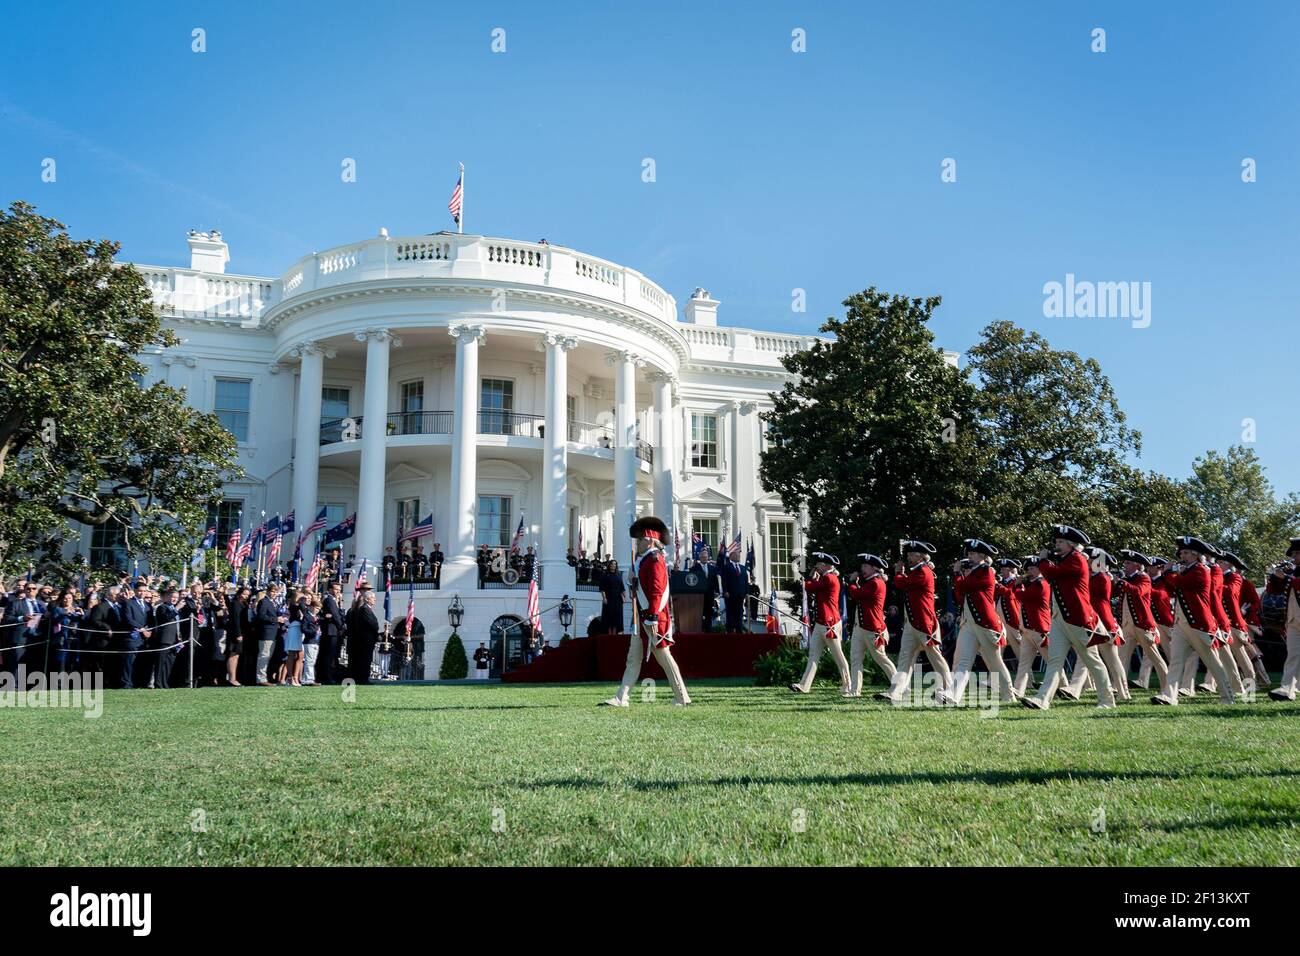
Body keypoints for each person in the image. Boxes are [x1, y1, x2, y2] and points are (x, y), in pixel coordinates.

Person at [1021, 525, 1116, 711]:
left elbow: (1053, 573)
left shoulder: (1077, 560)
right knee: (1055, 661)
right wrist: (1047, 560)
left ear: (1072, 544)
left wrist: (1042, 560)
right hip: (1060, 619)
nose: (1057, 545)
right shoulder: (1065, 559)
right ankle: (1042, 699)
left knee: (1092, 661)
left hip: (1078, 620)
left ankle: (1107, 700)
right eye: (1056, 542)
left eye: (1061, 542)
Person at [600, 516, 691, 707]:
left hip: (652, 618)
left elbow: (657, 590)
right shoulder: (645, 561)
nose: (637, 543)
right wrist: (633, 580)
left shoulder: (655, 560)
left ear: (649, 539)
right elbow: (644, 588)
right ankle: (621, 697)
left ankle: (683, 698)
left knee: (664, 658)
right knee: (632, 659)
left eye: (639, 539)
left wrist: (653, 616)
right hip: (642, 618)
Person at [1150, 536, 1243, 706]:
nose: (1182, 556)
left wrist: (1169, 572)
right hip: (1181, 623)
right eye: (1182, 553)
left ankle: (1227, 696)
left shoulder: (1201, 570)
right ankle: (1169, 696)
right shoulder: (1186, 570)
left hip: (1198, 624)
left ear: (1195, 555)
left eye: (1186, 553)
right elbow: (1171, 589)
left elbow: (1180, 583)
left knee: (1213, 662)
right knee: (1176, 661)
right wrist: (1170, 574)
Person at [940, 539, 1016, 705]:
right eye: (969, 553)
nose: (970, 556)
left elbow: (965, 586)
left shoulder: (986, 572)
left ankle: (1009, 694)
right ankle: (953, 695)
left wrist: (957, 574)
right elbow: (960, 596)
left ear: (982, 555)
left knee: (994, 662)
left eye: (973, 553)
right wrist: (959, 576)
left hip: (985, 625)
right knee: (962, 661)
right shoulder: (973, 573)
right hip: (969, 624)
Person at [877, 541, 953, 703]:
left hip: (925, 624)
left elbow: (902, 583)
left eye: (912, 554)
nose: (908, 557)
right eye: (909, 554)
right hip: (913, 623)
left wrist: (898, 573)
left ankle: (948, 689)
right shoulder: (918, 571)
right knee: (905, 658)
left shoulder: (923, 572)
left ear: (921, 556)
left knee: (935, 658)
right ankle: (896, 691)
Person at [790, 551, 851, 695]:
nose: (816, 566)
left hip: (830, 624)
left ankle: (848, 685)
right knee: (813, 656)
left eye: (818, 564)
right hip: (821, 623)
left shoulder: (829, 578)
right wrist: (812, 579)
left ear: (824, 565)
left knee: (838, 656)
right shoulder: (826, 578)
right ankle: (804, 685)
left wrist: (810, 578)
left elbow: (810, 587)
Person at [1116, 550, 1169, 697]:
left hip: (1142, 625)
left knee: (1155, 658)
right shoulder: (1127, 579)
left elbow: (1138, 592)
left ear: (1137, 565)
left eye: (1128, 563)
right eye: (1125, 563)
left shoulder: (1144, 578)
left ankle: (1167, 688)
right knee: (1121, 659)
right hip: (1127, 626)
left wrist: (1121, 582)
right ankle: (1121, 691)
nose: (1124, 565)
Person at [845, 553, 896, 696]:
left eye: (866, 566)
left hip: (872, 628)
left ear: (874, 568)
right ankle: (855, 690)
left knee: (881, 658)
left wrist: (852, 582)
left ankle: (900, 685)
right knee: (855, 658)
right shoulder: (869, 581)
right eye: (862, 565)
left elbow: (856, 594)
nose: (862, 568)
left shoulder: (876, 583)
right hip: (860, 627)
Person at [1264, 538, 1300, 701]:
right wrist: (1275, 576)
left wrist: (1285, 577)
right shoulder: (1292, 572)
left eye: (1298, 553)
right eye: (1293, 554)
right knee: (1293, 654)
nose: (1294, 557)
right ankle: (1287, 689)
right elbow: (1272, 590)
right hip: (1292, 619)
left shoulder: (1291, 576)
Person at [1012, 557, 1050, 697]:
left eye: (1033, 568)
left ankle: (1062, 686)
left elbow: (1024, 596)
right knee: (1024, 662)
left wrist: (1017, 586)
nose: (1030, 571)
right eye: (1028, 569)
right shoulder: (1033, 583)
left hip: (1039, 628)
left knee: (1050, 660)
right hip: (1028, 629)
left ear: (1040, 569)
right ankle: (1018, 689)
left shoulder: (1040, 583)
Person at [117, 580, 152, 690]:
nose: (142, 593)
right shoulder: (129, 603)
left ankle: (137, 683)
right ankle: (126, 684)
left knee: (140, 662)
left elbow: (149, 621)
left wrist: (148, 630)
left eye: (144, 591)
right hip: (132, 638)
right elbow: (128, 619)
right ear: (135, 591)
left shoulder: (147, 605)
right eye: (140, 591)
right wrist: (141, 629)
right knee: (129, 662)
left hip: (143, 639)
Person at [345, 582, 380, 684]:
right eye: (366, 589)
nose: (374, 599)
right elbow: (371, 623)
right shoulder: (362, 608)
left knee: (364, 659)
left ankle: (361, 677)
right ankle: (361, 678)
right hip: (363, 638)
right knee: (361, 660)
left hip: (364, 638)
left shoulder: (365, 608)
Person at [254, 583, 285, 686]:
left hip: (272, 633)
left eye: (276, 592)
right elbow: (261, 617)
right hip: (266, 633)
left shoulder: (271, 602)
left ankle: (263, 677)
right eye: (272, 591)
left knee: (267, 656)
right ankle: (261, 678)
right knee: (264, 655)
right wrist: (276, 619)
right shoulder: (264, 602)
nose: (274, 594)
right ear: (267, 591)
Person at [151, 587, 182, 690]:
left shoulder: (175, 609)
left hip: (174, 640)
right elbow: (165, 618)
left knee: (169, 663)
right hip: (164, 639)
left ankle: (165, 683)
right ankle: (158, 684)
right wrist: (176, 608)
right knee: (160, 663)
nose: (174, 599)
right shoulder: (162, 607)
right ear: (167, 597)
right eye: (172, 597)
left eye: (176, 597)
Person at [717, 545, 751, 633]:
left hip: (740, 595)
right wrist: (725, 591)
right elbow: (724, 580)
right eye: (737, 555)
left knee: (739, 613)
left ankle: (739, 630)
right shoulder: (726, 567)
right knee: (730, 613)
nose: (738, 557)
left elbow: (746, 581)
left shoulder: (743, 568)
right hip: (730, 595)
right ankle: (730, 630)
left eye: (739, 556)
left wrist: (747, 593)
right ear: (731, 556)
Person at [319, 581, 345, 684]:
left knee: (332, 655)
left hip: (334, 631)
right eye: (336, 589)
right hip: (331, 631)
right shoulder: (329, 600)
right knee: (328, 655)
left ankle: (329, 675)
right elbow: (335, 615)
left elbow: (340, 614)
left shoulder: (335, 601)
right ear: (330, 590)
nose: (338, 591)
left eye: (339, 590)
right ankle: (327, 677)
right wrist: (341, 627)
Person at [598, 558, 625, 634]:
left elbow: (622, 587)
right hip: (609, 597)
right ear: (609, 565)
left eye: (615, 564)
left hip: (618, 598)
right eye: (612, 564)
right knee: (609, 616)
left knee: (617, 616)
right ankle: (609, 635)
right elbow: (602, 588)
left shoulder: (618, 575)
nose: (613, 565)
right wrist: (604, 598)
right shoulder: (605, 575)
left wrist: (624, 597)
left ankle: (615, 634)